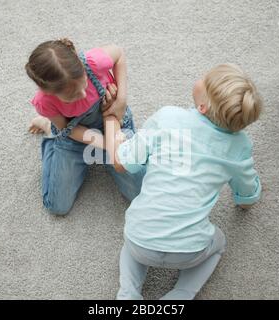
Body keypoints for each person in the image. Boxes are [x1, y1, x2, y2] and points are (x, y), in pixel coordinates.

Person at [103, 63, 263, 299]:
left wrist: (110, 119)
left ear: (202, 106)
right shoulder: (240, 147)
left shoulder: (168, 117)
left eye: (203, 78)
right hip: (190, 251)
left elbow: (121, 163)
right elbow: (248, 198)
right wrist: (246, 199)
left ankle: (128, 292)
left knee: (132, 239)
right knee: (218, 242)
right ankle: (182, 294)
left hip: (141, 241)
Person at [25, 38, 145, 215]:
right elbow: (69, 129)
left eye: (84, 83)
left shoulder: (93, 61)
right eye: (72, 96)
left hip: (112, 119)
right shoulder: (44, 102)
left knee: (141, 193)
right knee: (58, 206)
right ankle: (50, 128)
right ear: (50, 93)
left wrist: (121, 101)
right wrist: (107, 145)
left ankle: (58, 128)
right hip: (74, 135)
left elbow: (119, 53)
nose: (82, 94)